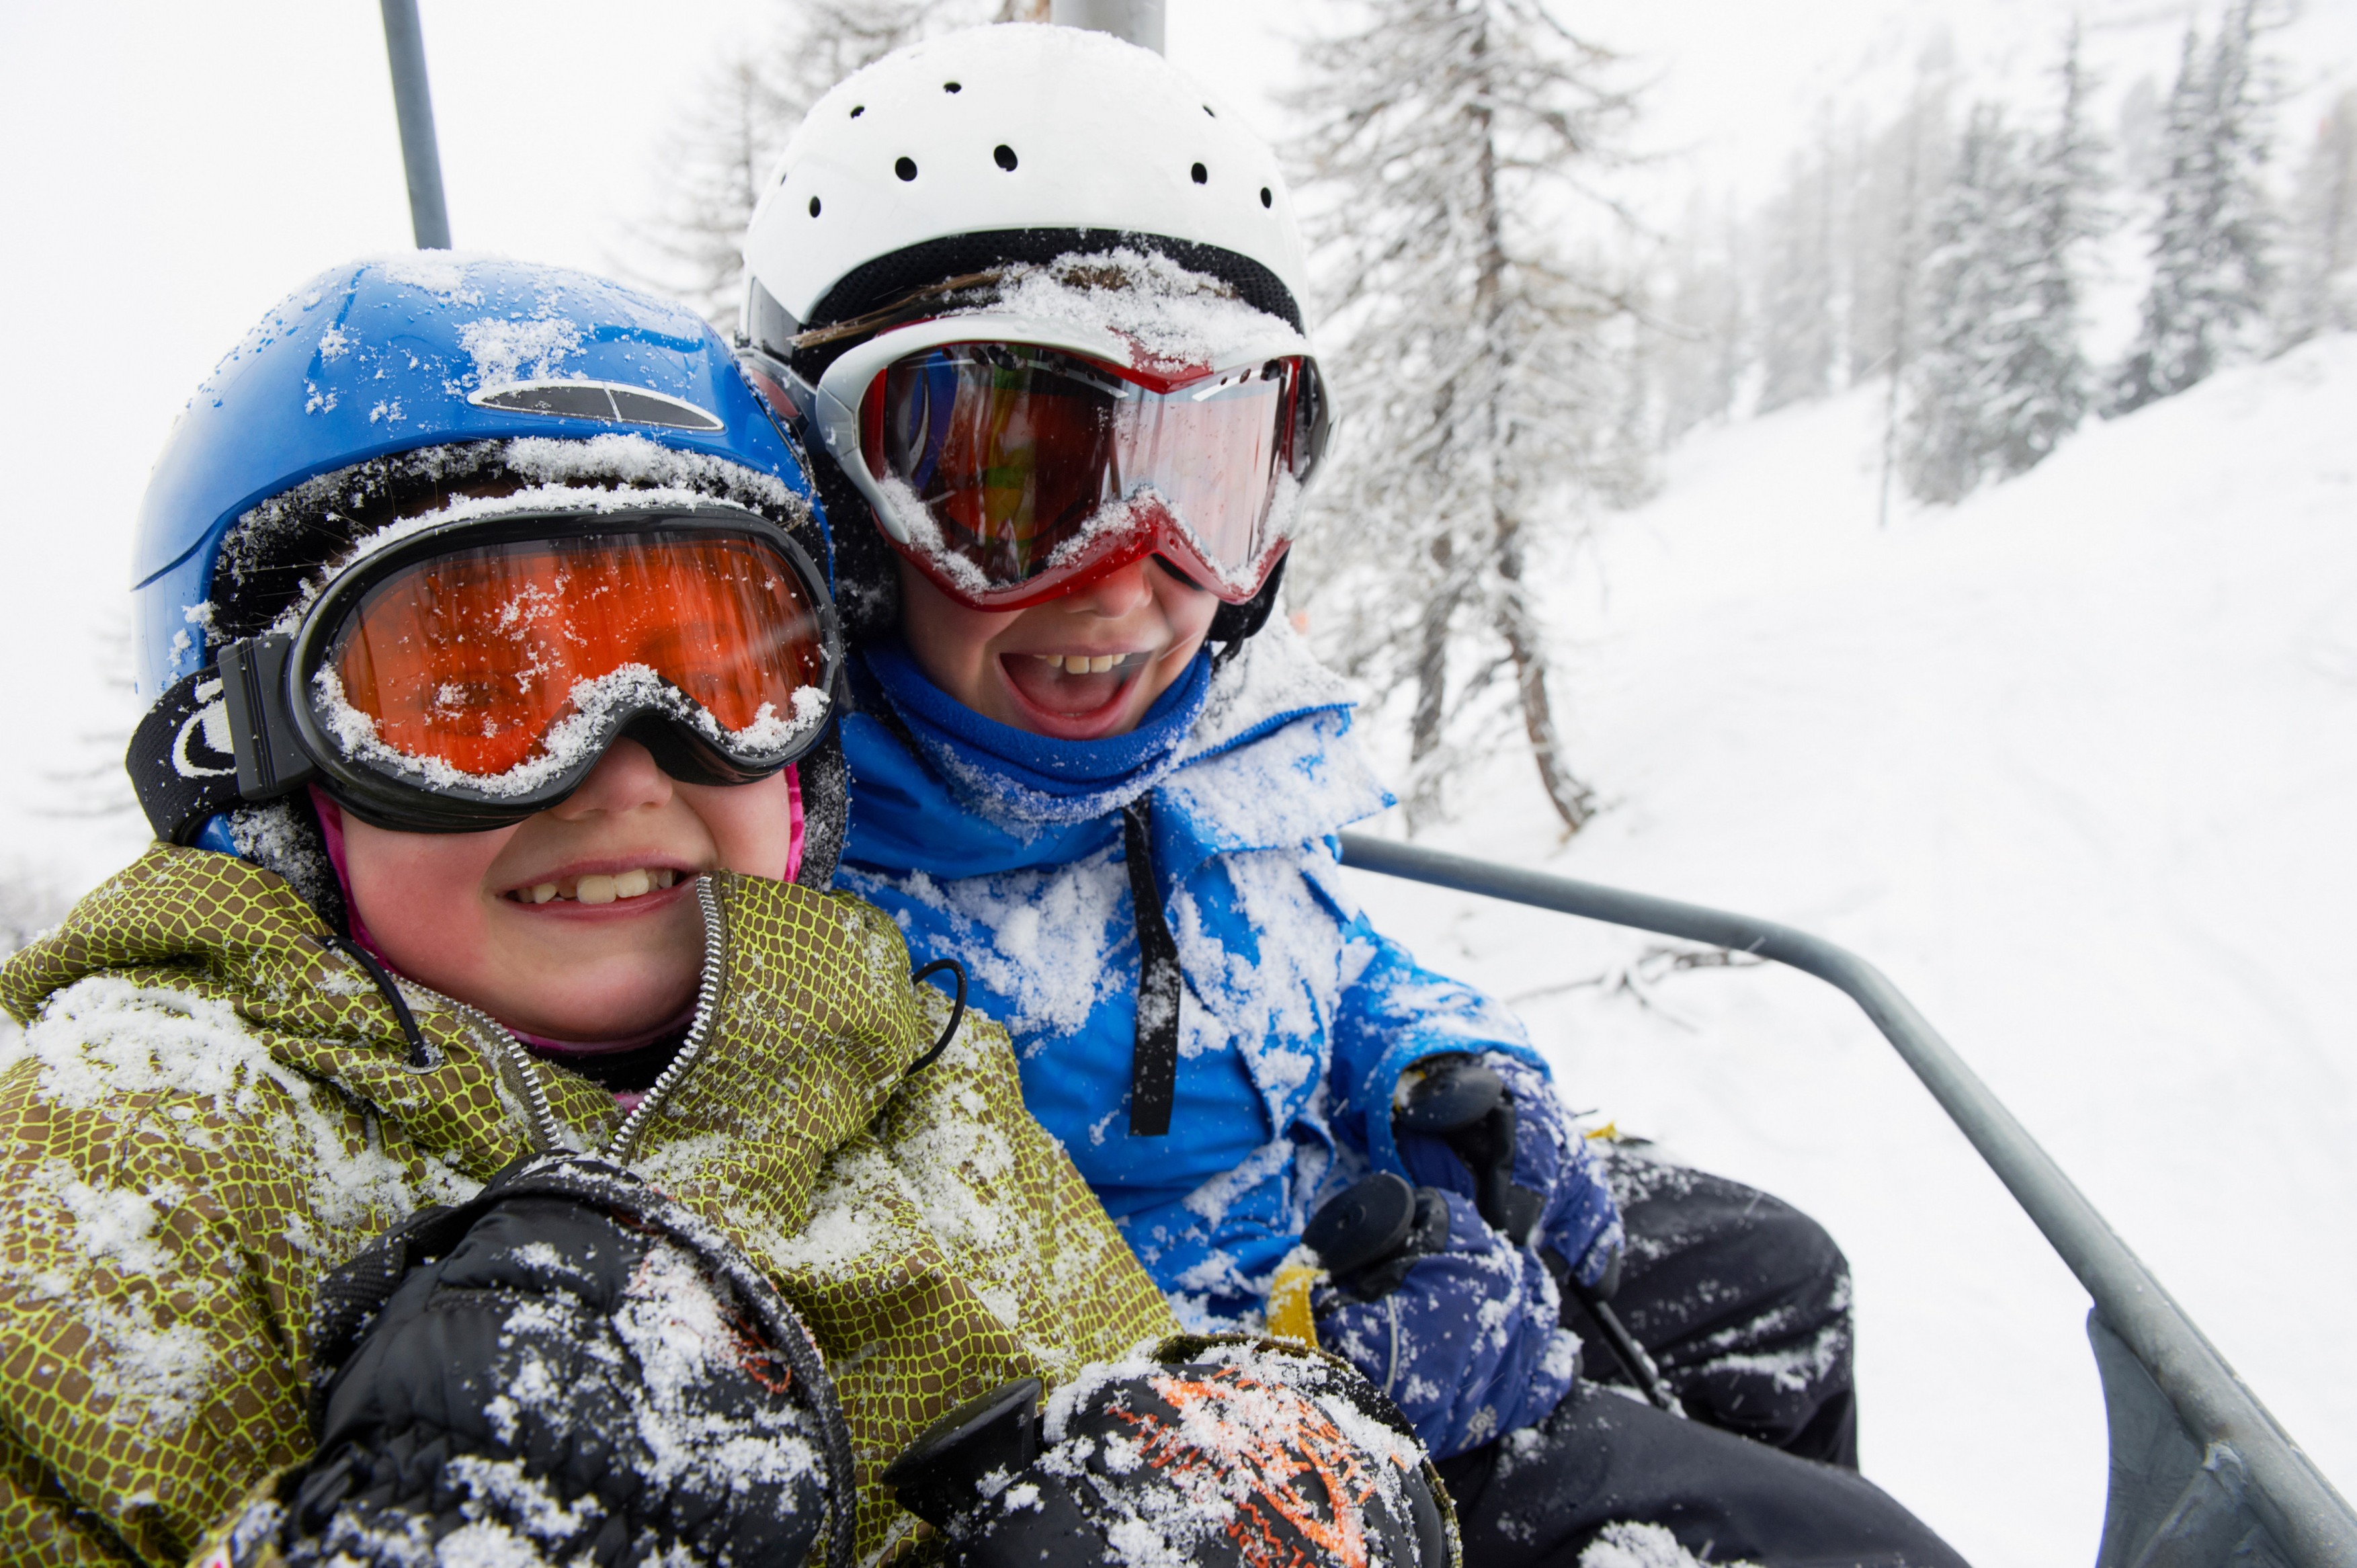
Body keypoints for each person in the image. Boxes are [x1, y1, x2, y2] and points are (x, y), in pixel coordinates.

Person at [0, 257, 1452, 1568]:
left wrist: (1283, 1477)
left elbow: (1123, 1368)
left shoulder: (899, 1079)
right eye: (479, 702)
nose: (629, 774)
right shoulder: (133, 1152)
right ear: (251, 757)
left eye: (721, 674)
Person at [739, 23, 1969, 1566]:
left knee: (1776, 1279)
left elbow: (1303, 951)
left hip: (1348, 1235)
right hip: (1211, 1435)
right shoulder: (799, 878)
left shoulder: (1214, 744)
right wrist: (1319, 1358)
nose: (1129, 592)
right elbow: (914, 1323)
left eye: (1208, 476)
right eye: (1015, 487)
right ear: (838, 503)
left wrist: (1426, 1057)